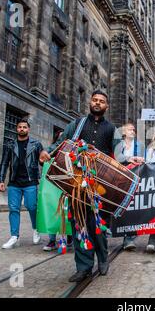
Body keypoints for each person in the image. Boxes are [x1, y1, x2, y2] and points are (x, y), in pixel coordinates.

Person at [39, 90, 116, 282]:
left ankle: (103, 258)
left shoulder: (112, 129)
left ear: (106, 106)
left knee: (96, 225)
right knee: (80, 224)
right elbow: (59, 143)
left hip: (100, 186)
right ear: (90, 102)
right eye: (95, 100)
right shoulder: (76, 124)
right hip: (75, 182)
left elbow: (120, 154)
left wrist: (131, 157)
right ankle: (84, 267)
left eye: (102, 101)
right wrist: (46, 152)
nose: (97, 103)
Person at [0, 119, 44, 249]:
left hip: (30, 181)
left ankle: (36, 230)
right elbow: (4, 163)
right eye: (20, 127)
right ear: (16, 129)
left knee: (32, 206)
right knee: (13, 209)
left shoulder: (36, 144)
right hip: (14, 182)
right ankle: (14, 236)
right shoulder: (10, 144)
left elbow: (42, 161)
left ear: (28, 129)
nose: (22, 129)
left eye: (24, 127)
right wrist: (1, 180)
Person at [115, 122, 145, 251]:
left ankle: (129, 238)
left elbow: (145, 160)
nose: (133, 131)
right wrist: (130, 158)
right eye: (130, 129)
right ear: (123, 132)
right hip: (119, 178)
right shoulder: (118, 144)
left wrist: (141, 159)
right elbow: (116, 157)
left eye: (134, 130)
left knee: (132, 207)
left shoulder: (140, 145)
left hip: (135, 178)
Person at [43, 130, 73, 252]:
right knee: (53, 211)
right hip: (54, 186)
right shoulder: (51, 152)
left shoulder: (72, 154)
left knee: (68, 211)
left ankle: (70, 237)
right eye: (61, 138)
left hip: (68, 185)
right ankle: (52, 240)